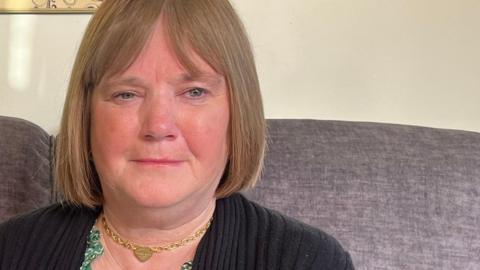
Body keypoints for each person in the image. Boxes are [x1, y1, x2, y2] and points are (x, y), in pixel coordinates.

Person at [0, 0, 354, 269]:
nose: (158, 127)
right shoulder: (11, 249)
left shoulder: (306, 260)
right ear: (86, 114)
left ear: (238, 113)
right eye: (127, 94)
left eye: (194, 92)